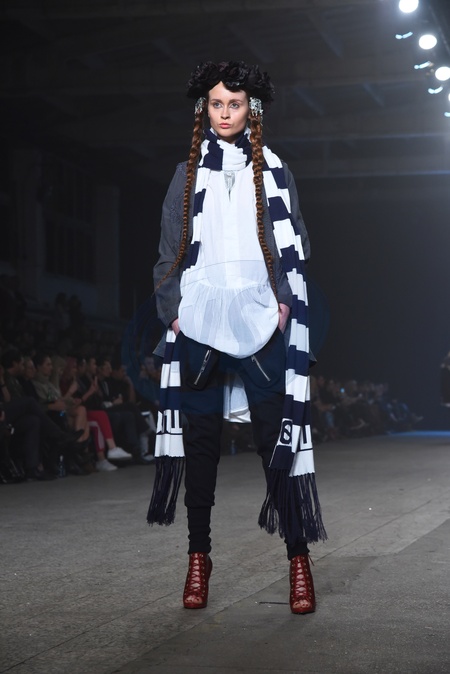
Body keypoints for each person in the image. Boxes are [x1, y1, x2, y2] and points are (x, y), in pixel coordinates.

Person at [147, 61, 326, 614]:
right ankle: (198, 559)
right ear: (205, 108)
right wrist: (174, 314)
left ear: (253, 108)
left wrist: (283, 304)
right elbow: (167, 253)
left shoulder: (274, 170)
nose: (225, 113)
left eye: (236, 103)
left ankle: (298, 560)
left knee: (277, 444)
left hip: (259, 317)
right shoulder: (186, 174)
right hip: (199, 320)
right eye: (217, 103)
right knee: (201, 449)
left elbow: (297, 244)